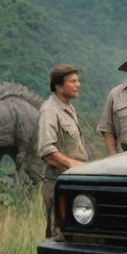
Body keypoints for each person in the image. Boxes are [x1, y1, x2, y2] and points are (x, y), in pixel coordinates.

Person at [37, 64, 89, 240]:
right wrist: (73, 165)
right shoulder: (49, 110)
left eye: (77, 80)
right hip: (58, 185)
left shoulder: (68, 108)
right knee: (58, 236)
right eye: (72, 81)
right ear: (58, 86)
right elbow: (46, 150)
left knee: (76, 236)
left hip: (73, 182)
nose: (78, 84)